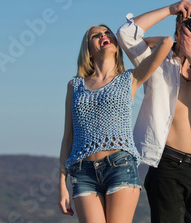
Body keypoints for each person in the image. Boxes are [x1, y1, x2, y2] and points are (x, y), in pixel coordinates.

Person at [117, 1, 191, 222]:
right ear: (181, 28)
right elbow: (126, 35)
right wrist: (172, 9)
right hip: (167, 165)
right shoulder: (157, 60)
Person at [58, 24, 173, 223]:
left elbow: (166, 43)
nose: (103, 36)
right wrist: (61, 184)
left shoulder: (129, 78)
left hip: (119, 166)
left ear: (116, 44)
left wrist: (136, 40)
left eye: (107, 33)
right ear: (88, 50)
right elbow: (68, 137)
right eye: (96, 35)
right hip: (82, 172)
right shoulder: (74, 85)